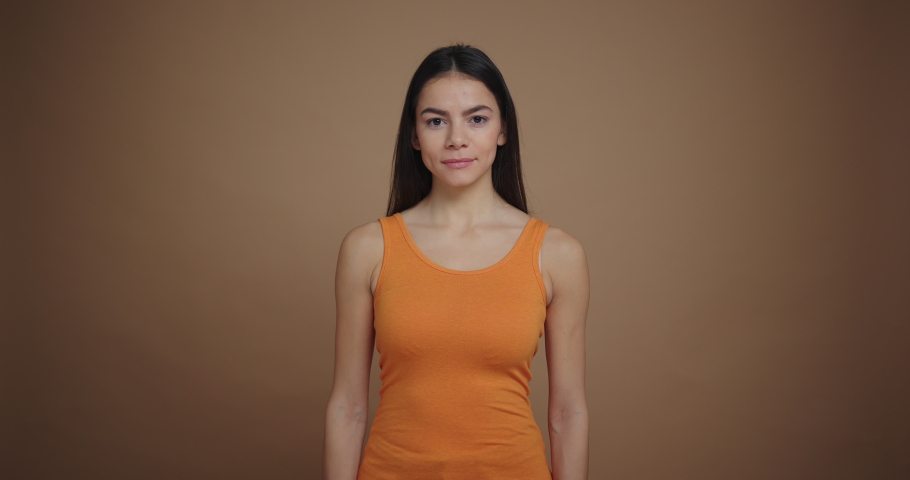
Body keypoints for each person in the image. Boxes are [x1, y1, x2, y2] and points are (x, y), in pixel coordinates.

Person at [323, 44, 589, 480]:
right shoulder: (367, 248)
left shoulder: (558, 254)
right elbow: (348, 407)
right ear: (414, 135)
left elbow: (568, 412)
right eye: (435, 121)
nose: (456, 139)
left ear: (503, 130)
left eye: (477, 119)